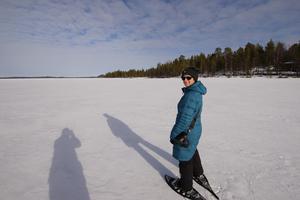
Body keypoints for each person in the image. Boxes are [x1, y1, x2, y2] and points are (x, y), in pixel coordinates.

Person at [169, 66, 209, 198]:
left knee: (184, 158)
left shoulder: (191, 96)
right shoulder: (196, 91)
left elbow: (184, 119)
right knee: (192, 149)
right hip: (195, 129)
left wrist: (174, 135)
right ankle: (198, 173)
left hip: (187, 131)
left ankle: (186, 187)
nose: (185, 80)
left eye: (188, 78)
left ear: (194, 78)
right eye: (183, 78)